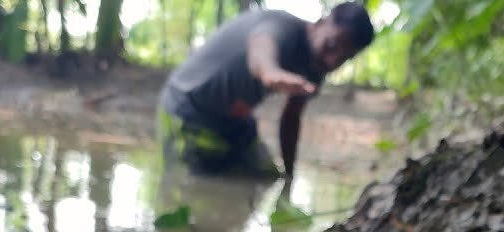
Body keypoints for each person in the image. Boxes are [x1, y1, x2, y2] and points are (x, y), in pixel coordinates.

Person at [159, 3, 374, 179]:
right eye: (332, 45)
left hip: (236, 122)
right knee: (192, 187)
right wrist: (269, 71)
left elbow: (291, 118)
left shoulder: (316, 69)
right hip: (188, 108)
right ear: (320, 24)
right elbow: (261, 49)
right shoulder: (283, 27)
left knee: (268, 179)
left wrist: (289, 174)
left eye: (344, 58)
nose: (332, 60)